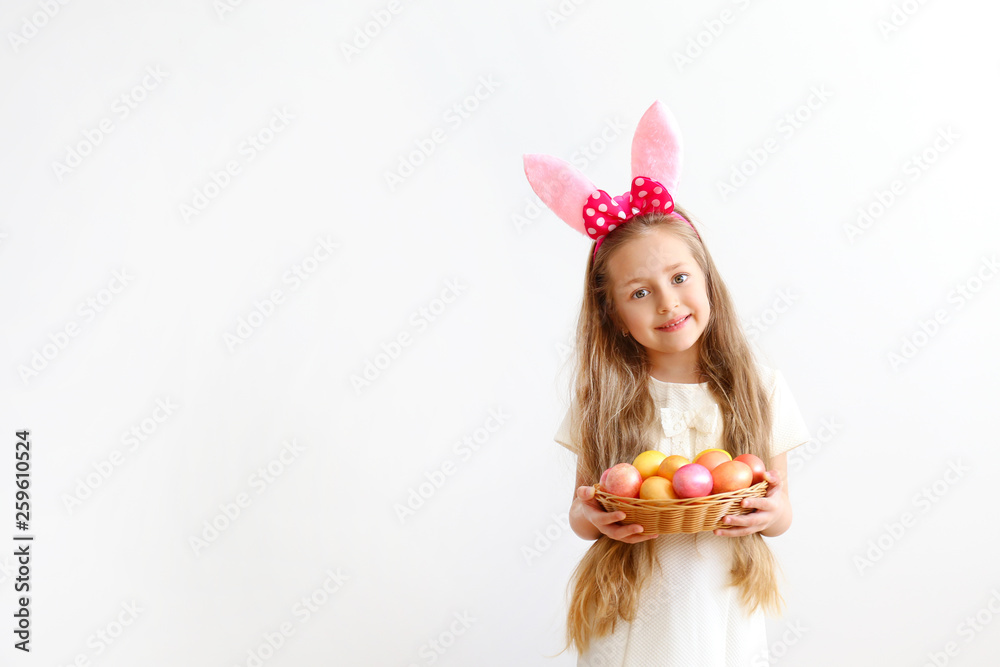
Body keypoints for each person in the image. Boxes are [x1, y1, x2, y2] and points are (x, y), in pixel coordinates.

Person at [523, 101, 812, 666]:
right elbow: (582, 513)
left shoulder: (760, 387)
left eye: (680, 278)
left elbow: (781, 510)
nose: (667, 302)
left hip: (723, 605)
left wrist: (770, 515)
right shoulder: (604, 400)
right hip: (635, 610)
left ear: (707, 280)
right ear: (613, 315)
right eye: (639, 292)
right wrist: (594, 516)